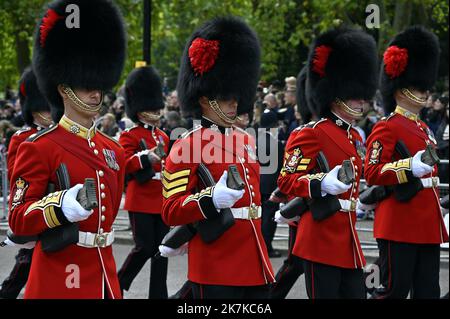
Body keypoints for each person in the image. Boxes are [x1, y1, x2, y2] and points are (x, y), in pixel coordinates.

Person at [8, 0, 127, 298]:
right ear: (63, 88)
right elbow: (19, 218)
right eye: (86, 85)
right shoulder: (38, 147)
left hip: (105, 273)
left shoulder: (113, 149)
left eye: (98, 83)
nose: (96, 91)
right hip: (60, 275)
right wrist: (58, 207)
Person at [160, 16, 275, 299]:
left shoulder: (246, 140)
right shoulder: (187, 145)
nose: (234, 102)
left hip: (254, 259)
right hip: (217, 262)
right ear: (203, 98)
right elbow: (171, 209)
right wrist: (210, 199)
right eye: (226, 97)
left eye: (236, 95)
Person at [277, 27, 378, 299]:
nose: (362, 101)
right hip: (319, 239)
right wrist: (321, 183)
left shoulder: (352, 136)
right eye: (355, 95)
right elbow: (286, 179)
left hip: (347, 237)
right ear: (336, 94)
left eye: (363, 96)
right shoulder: (311, 133)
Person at [365, 26, 448, 299]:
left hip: (426, 223)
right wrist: (408, 168)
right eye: (417, 87)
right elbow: (373, 171)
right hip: (400, 222)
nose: (424, 92)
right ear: (400, 91)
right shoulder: (387, 127)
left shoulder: (424, 128)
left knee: (428, 292)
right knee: (393, 291)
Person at [0, 67, 56, 299]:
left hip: (54, 207)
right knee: (25, 261)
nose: (48, 112)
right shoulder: (22, 138)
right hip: (31, 205)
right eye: (43, 108)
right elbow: (17, 176)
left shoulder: (57, 134)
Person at [117, 65, 170, 298]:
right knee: (144, 247)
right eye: (151, 108)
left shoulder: (164, 136)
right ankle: (119, 281)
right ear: (139, 110)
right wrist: (145, 157)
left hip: (161, 198)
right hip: (141, 199)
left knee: (162, 251)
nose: (156, 111)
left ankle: (158, 294)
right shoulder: (130, 136)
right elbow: (125, 164)